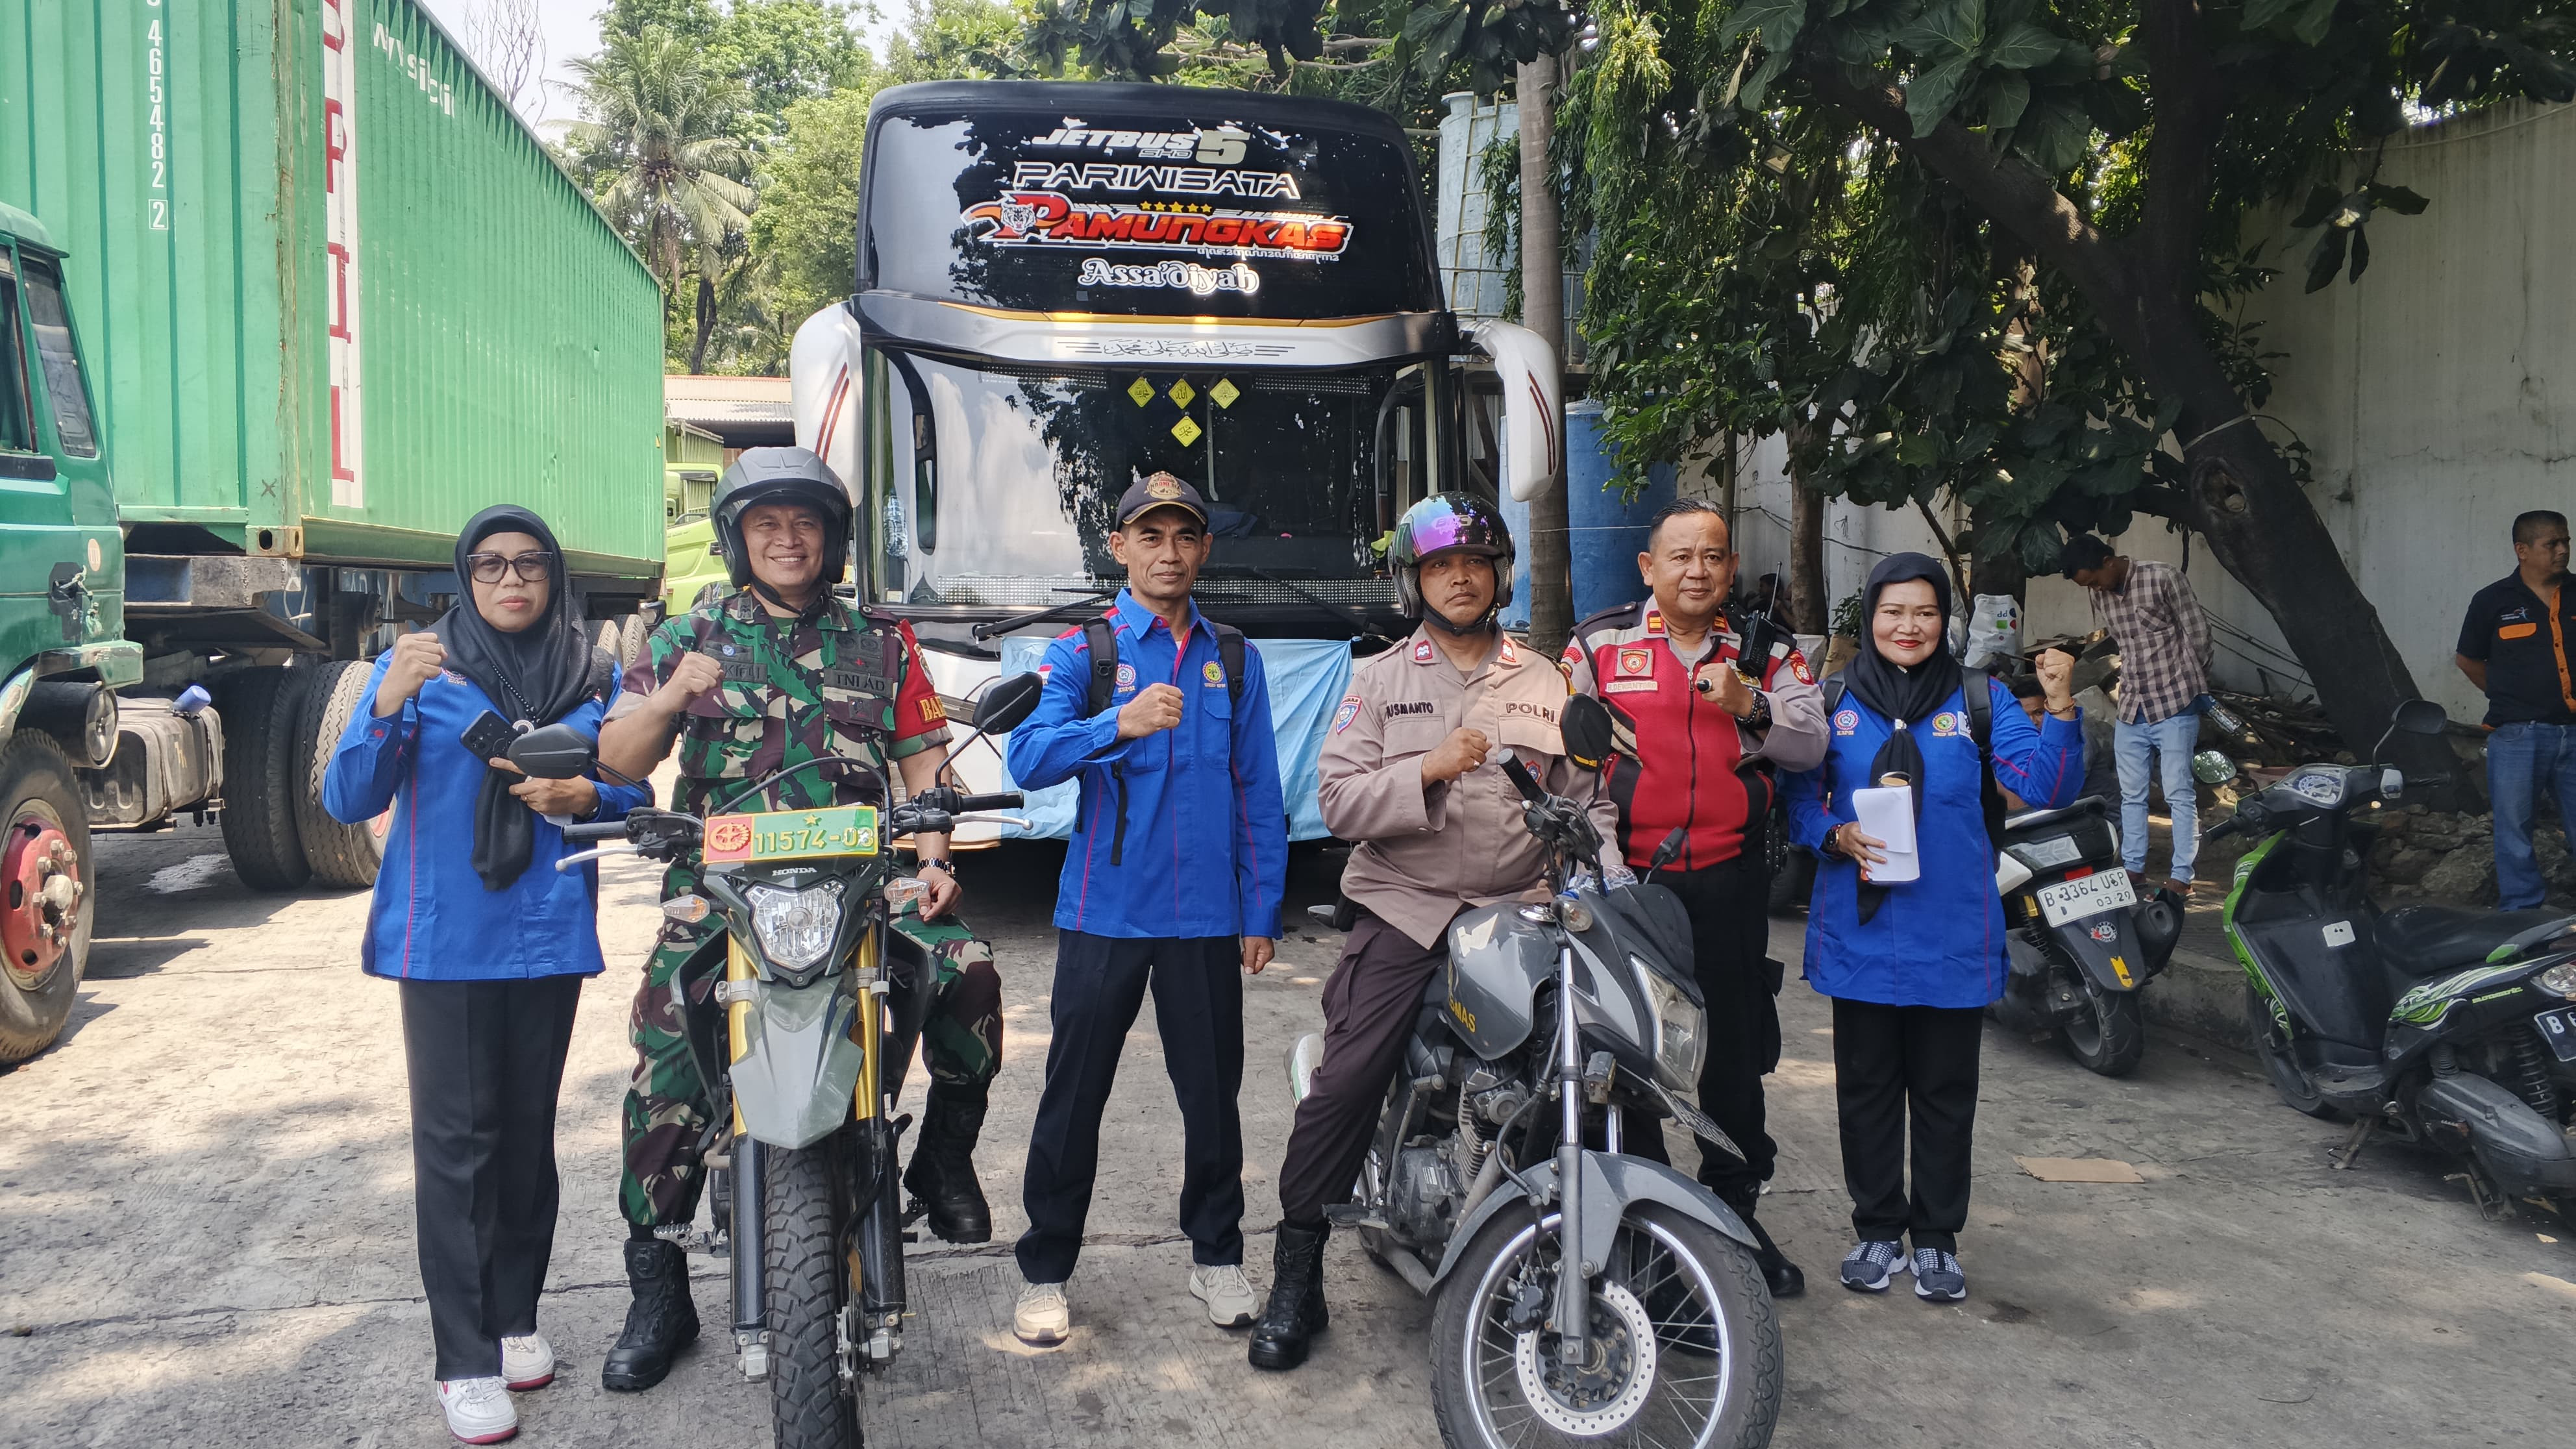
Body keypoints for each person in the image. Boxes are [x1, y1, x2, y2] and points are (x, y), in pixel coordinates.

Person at [588, 448, 1005, 1392]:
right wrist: (668, 696)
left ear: (832, 538)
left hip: (861, 879)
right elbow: (617, 760)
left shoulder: (881, 643)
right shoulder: (688, 634)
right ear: (738, 538)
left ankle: (941, 1164)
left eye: (806, 522)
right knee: (664, 1045)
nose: (788, 539)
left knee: (970, 969)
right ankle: (656, 1282)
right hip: (721, 890)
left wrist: (935, 865)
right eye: (766, 523)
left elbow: (925, 768)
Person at [1248, 493, 1620, 1372]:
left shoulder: (1550, 682)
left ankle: (1588, 1254)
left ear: (1498, 579)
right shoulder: (1377, 679)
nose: (1461, 577)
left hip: (1521, 911)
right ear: (1416, 579)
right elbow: (1337, 801)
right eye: (1443, 565)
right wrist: (1430, 766)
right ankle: (1297, 1272)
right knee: (1346, 1083)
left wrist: (1595, 861)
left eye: (1477, 563)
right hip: (1406, 903)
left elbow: (1590, 800)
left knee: (1588, 1069)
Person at [324, 506, 647, 1446]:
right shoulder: (421, 668)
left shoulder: (590, 675)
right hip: (446, 944)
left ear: (555, 578)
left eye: (531, 564)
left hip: (546, 936)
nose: (512, 580)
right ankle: (461, 1361)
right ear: (464, 578)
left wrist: (589, 792)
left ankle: (513, 1320)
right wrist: (387, 705)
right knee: (458, 1150)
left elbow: (633, 790)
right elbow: (349, 797)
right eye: (492, 564)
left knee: (525, 1144)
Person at [1002, 471, 1289, 1348]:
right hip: (1105, 914)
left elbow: (1259, 792)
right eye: (1149, 537)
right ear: (1119, 547)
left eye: (1185, 537)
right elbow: (1026, 758)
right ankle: (1047, 1270)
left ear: (1202, 550)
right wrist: (1114, 725)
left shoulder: (1231, 656)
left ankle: (1217, 1257)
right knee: (1073, 1099)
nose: (1169, 553)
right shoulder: (1082, 653)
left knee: (1213, 1100)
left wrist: (1262, 909)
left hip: (1205, 921)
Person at [1784, 553, 2083, 1303]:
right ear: (1869, 619)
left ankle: (1937, 1240)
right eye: (1892, 612)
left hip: (1949, 932)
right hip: (1859, 933)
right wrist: (1834, 834)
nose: (1907, 627)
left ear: (1942, 620)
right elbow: (1795, 800)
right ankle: (1877, 1231)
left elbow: (2041, 785)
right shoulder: (1832, 700)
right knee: (1866, 1087)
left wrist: (2061, 708)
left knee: (1947, 1092)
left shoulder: (1979, 699)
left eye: (1922, 613)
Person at [1560, 498, 1827, 1298]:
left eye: (1712, 556)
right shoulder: (1598, 646)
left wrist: (1748, 705)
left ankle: (1735, 1214)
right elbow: (1571, 777)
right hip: (1627, 887)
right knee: (1622, 1052)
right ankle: (1640, 1225)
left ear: (1730, 570)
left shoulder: (1768, 651)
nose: (1697, 570)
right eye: (1680, 556)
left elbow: (1811, 744)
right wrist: (1601, 873)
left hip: (1729, 884)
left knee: (1733, 1057)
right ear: (1649, 568)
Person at [2061, 535, 2212, 897]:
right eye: (2088, 586)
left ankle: (2182, 877)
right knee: (2131, 795)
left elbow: (2199, 635)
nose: (2094, 589)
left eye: (2095, 580)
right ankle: (2133, 870)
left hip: (2176, 701)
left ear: (2109, 561)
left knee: (2179, 793)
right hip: (2132, 704)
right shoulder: (2100, 593)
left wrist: (2192, 682)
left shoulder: (2163, 578)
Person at [2455, 510, 2576, 909]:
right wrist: (2511, 697)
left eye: (2566, 541)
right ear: (2522, 550)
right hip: (2517, 737)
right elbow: (2469, 660)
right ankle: (2522, 913)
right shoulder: (2492, 601)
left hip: (2574, 733)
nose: (2562, 550)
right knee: (2514, 830)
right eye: (2551, 544)